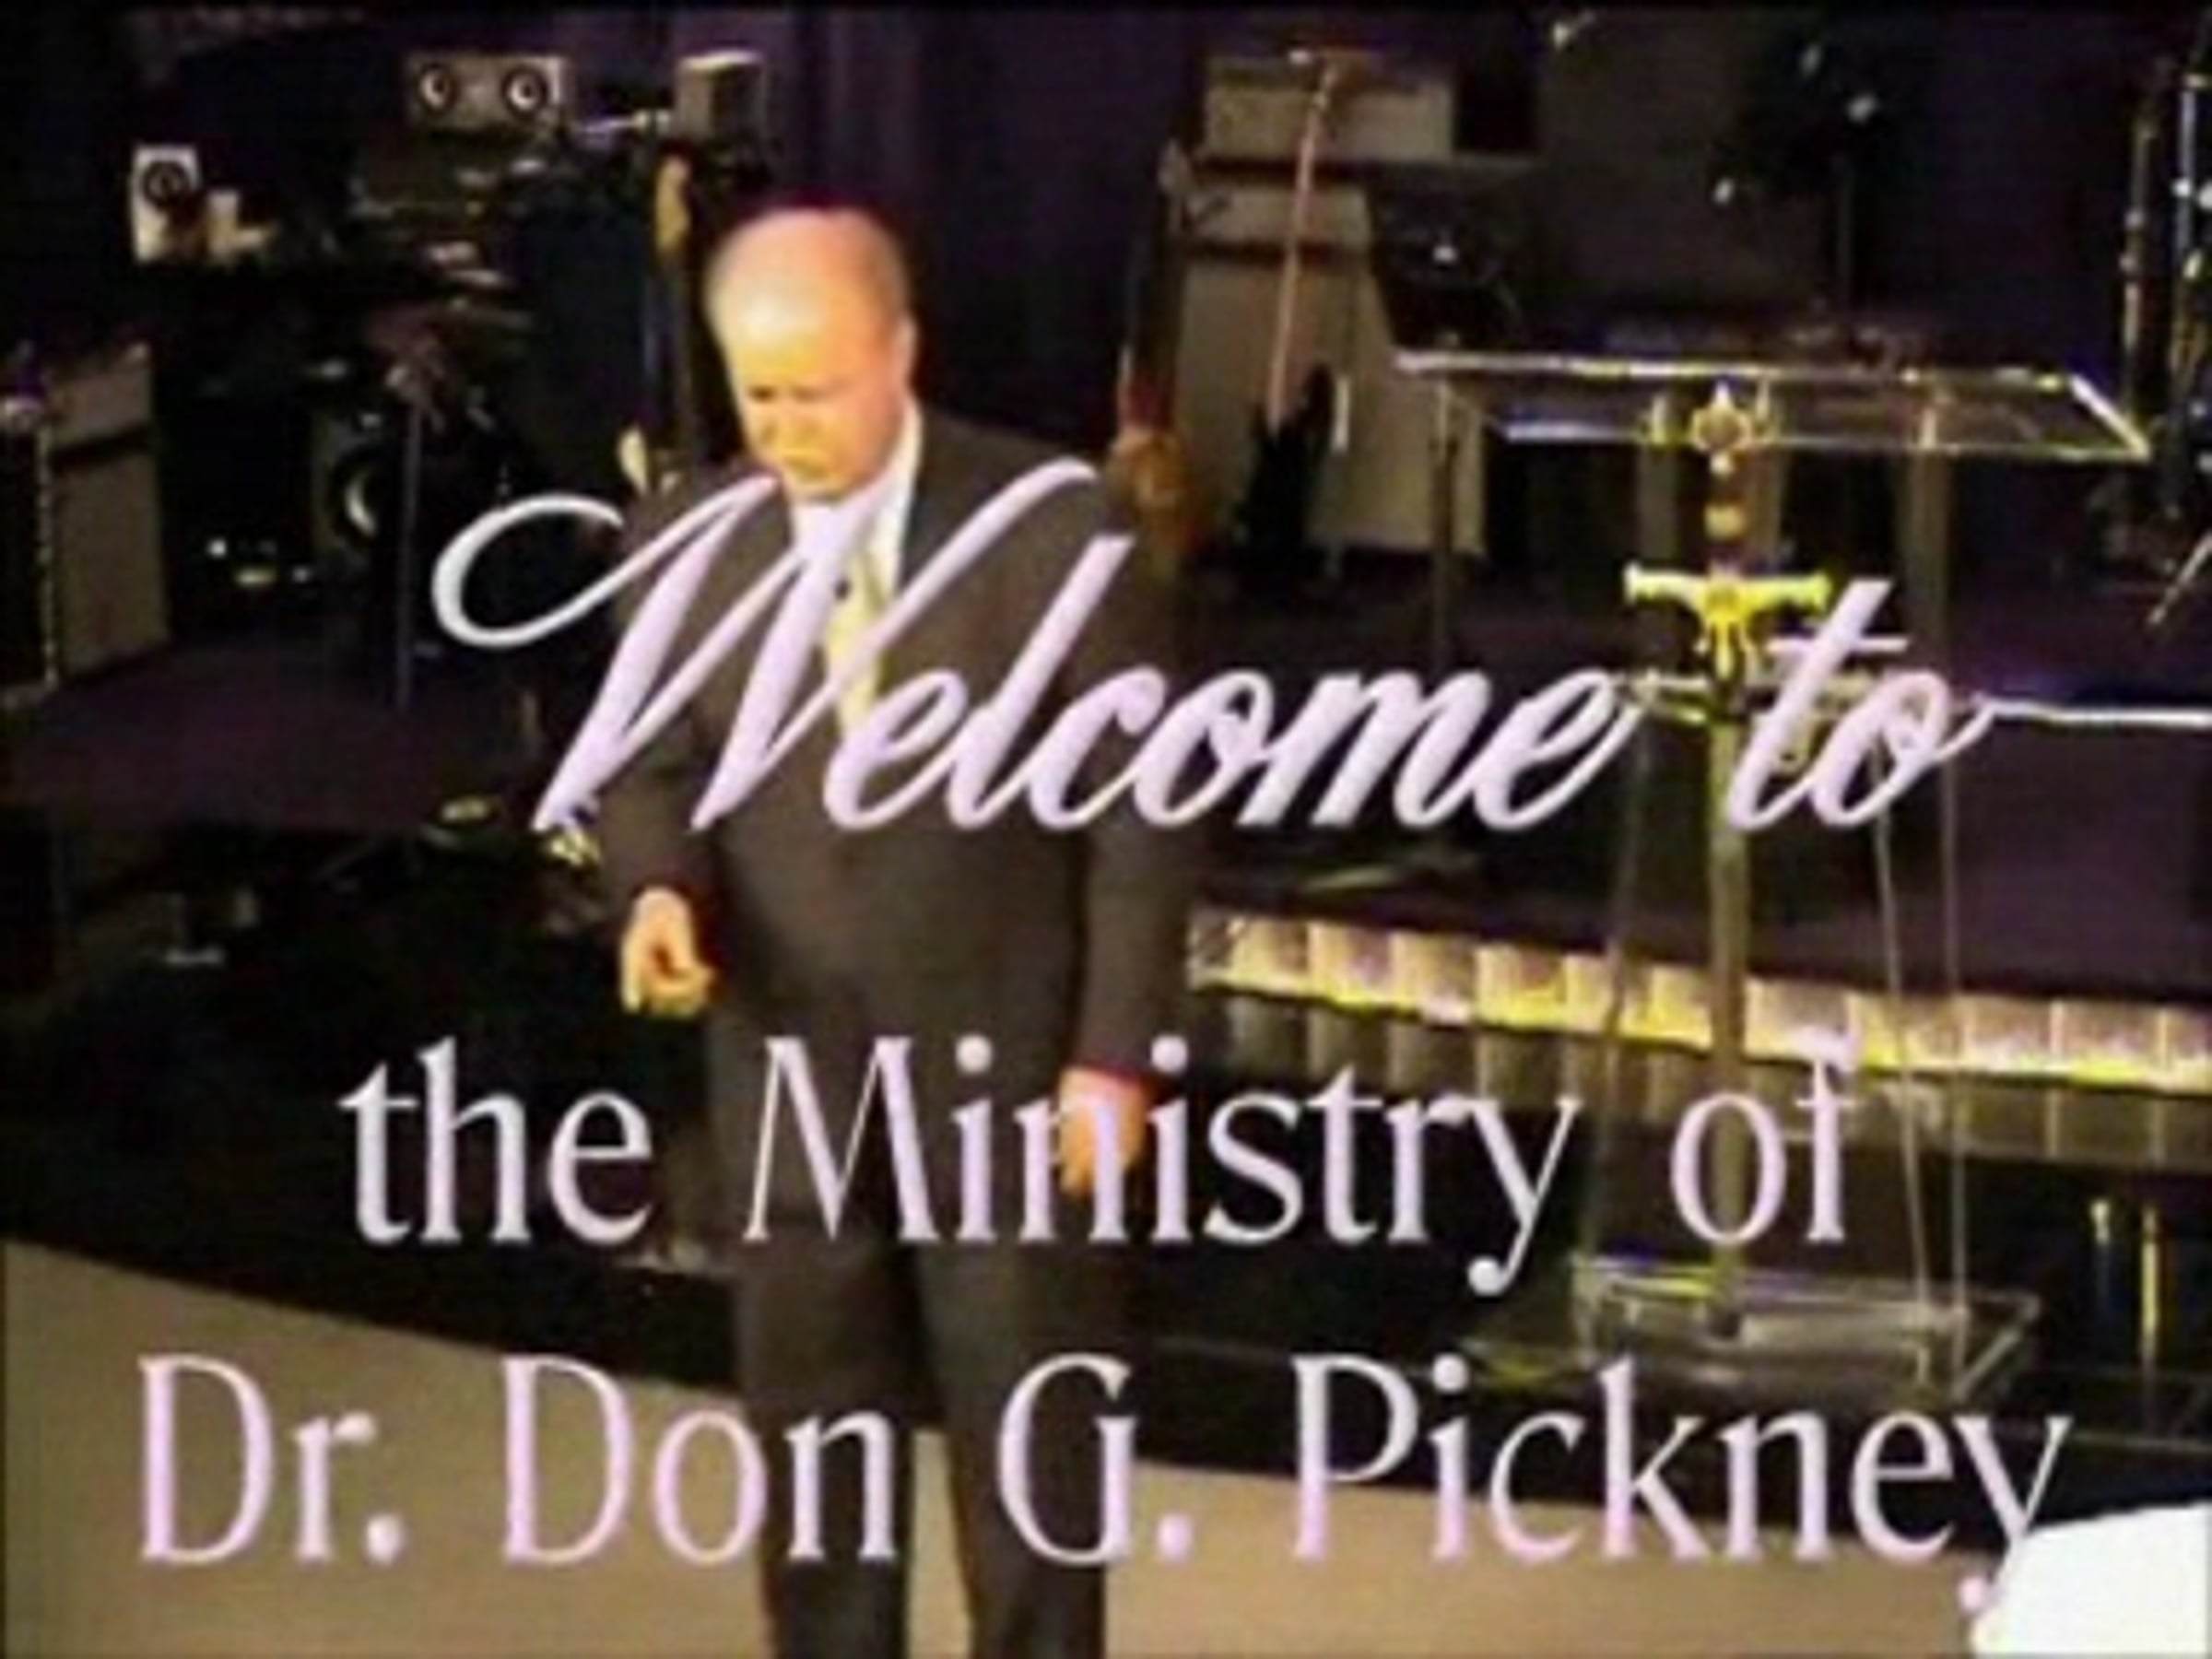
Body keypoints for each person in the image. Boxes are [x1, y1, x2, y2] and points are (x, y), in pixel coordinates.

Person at [589, 203, 1192, 1659]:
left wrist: (1115, 1058)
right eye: (761, 396)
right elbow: (648, 768)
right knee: (812, 1444)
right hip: (786, 1065)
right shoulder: (682, 544)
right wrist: (658, 889)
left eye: (820, 392)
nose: (787, 430)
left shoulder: (1054, 528)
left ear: (901, 354)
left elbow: (1142, 820)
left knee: (1028, 1447)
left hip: (1011, 1069)